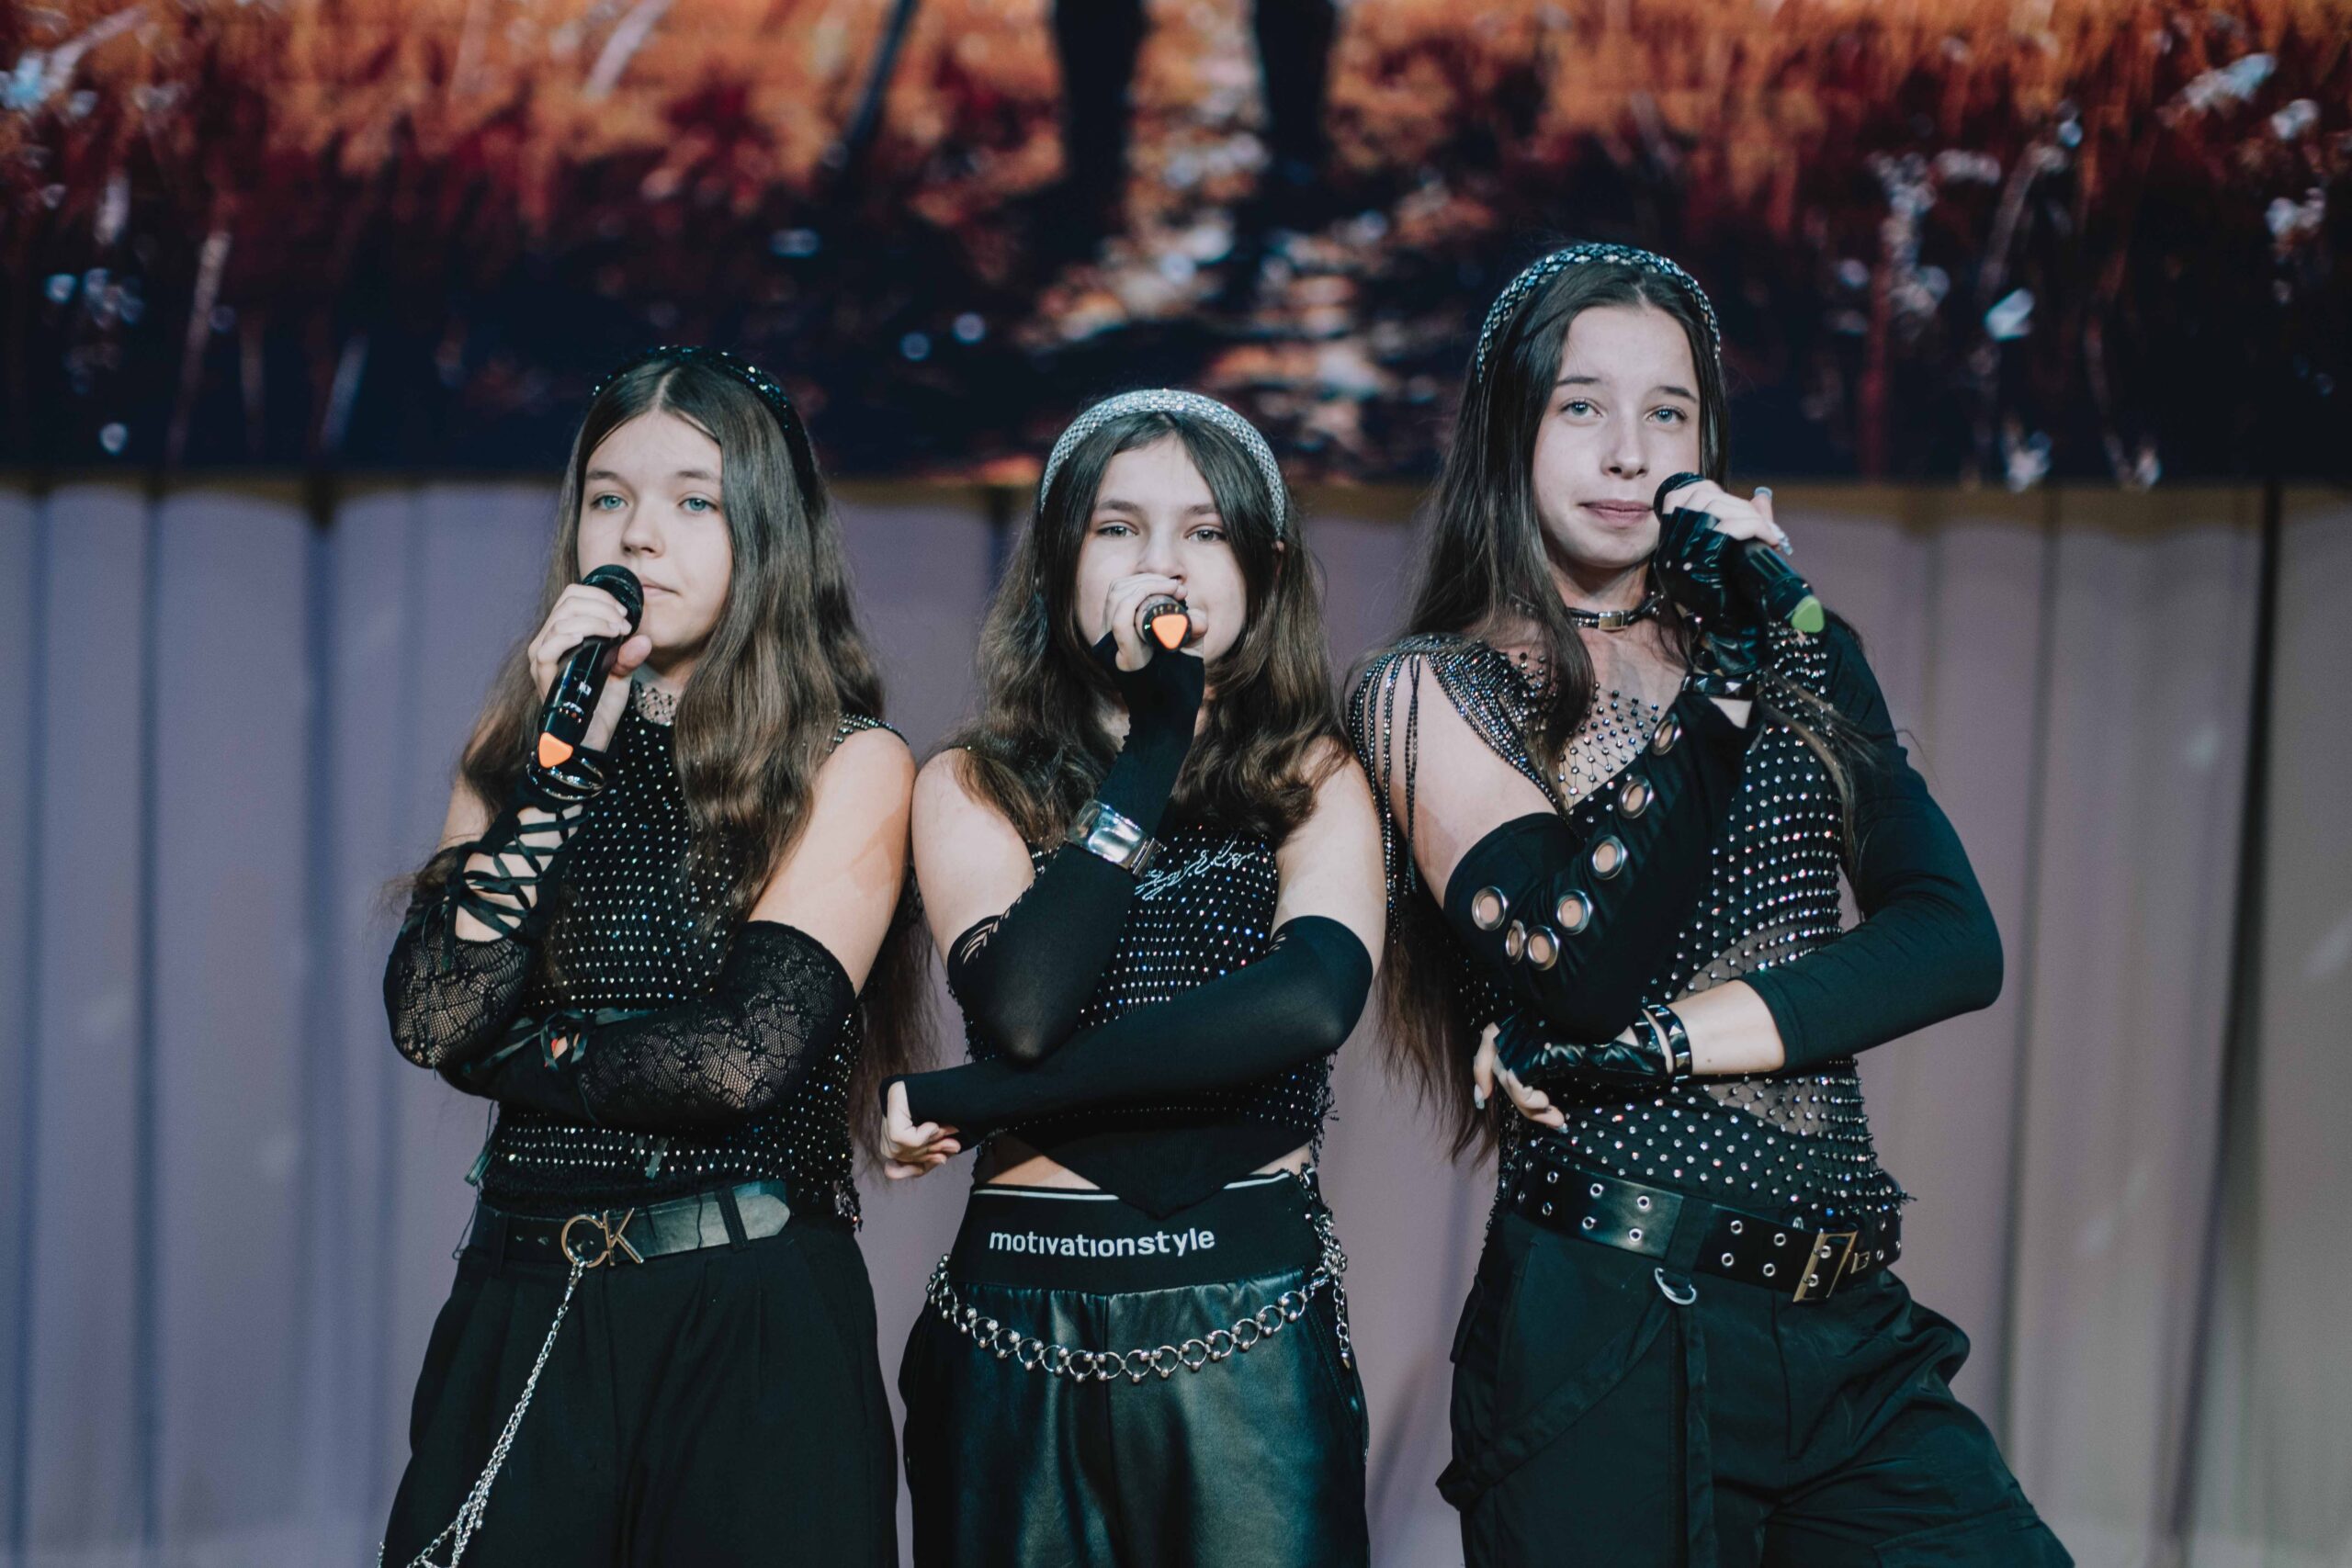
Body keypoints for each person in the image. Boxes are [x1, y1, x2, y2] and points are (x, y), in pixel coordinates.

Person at [1348, 245, 2071, 1566]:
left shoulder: (1802, 649)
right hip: (1614, 1321)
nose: (1629, 452)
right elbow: (1577, 966)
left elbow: (1950, 940)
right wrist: (1721, 689)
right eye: (1581, 405)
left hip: (1847, 1325)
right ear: (1509, 429)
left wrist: (1658, 1049)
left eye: (1667, 412)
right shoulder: (1433, 686)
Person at [379, 345, 922, 1566]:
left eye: (693, 501)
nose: (638, 534)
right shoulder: (517, 744)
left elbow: (738, 1058)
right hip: (524, 1297)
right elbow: (433, 1015)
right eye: (608, 497)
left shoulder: (846, 760)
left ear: (766, 532)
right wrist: (560, 769)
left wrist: (518, 1054)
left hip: (744, 1311)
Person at [885, 389, 1383, 1568]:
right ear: (1060, 562)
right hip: (1017, 1322)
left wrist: (972, 1101)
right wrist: (1152, 748)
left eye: (1204, 532)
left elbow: (1309, 1002)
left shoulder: (1313, 775)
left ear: (1260, 571)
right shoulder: (971, 781)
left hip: (1245, 1317)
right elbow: (1023, 1009)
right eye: (1118, 528)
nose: (1162, 564)